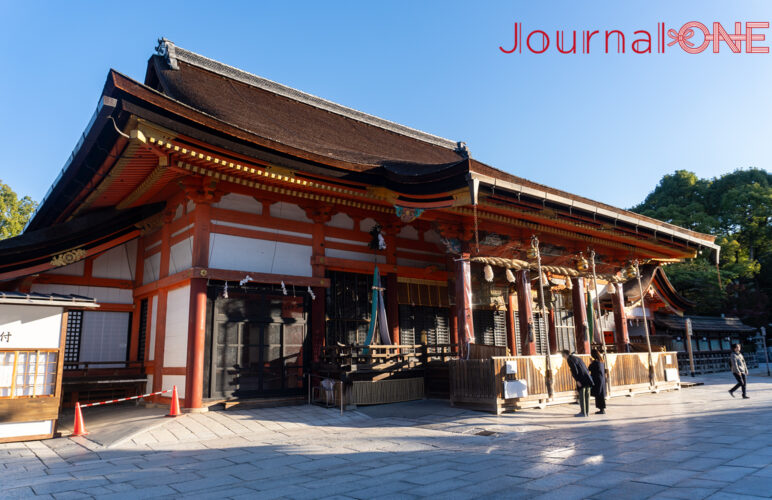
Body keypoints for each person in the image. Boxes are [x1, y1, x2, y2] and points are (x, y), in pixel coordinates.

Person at [562, 349, 594, 417]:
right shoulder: (577, 358)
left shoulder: (570, 359)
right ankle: (587, 412)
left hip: (581, 379)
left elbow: (574, 370)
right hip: (587, 378)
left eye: (563, 356)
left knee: (582, 396)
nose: (564, 358)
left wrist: (577, 380)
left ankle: (583, 412)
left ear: (565, 354)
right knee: (587, 396)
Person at [588, 349, 607, 414]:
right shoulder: (601, 361)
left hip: (597, 380)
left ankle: (602, 409)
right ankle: (602, 409)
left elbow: (589, 368)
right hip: (601, 379)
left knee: (598, 394)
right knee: (600, 394)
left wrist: (591, 362)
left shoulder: (595, 362)